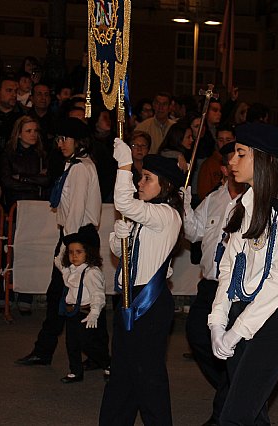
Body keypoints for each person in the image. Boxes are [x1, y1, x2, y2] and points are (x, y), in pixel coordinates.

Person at [207, 122, 278, 424]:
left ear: (263, 159)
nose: (231, 161)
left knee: (235, 416)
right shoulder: (241, 206)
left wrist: (237, 330)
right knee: (253, 416)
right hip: (241, 309)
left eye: (241, 153)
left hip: (272, 320)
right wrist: (218, 321)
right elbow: (228, 268)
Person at [99, 145, 184, 425]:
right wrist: (117, 238)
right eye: (140, 176)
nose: (139, 182)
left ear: (166, 185)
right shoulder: (146, 212)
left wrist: (124, 166)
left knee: (148, 377)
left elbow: (123, 203)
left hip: (150, 301)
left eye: (147, 178)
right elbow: (126, 254)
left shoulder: (166, 215)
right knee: (122, 372)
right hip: (128, 296)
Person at [15, 117, 102, 366]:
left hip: (76, 237)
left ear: (79, 141)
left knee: (67, 295)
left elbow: (75, 212)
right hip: (74, 235)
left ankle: (50, 350)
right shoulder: (76, 165)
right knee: (73, 295)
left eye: (65, 139)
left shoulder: (80, 168)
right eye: (59, 139)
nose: (60, 143)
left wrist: (67, 249)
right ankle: (94, 354)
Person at [182, 141, 245, 425]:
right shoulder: (213, 198)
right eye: (231, 161)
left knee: (232, 347)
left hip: (234, 287)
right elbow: (194, 234)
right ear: (224, 168)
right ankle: (234, 387)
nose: (234, 166)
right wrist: (185, 203)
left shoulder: (252, 202)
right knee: (197, 335)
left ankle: (223, 411)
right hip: (208, 284)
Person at [55, 229, 110, 384]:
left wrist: (94, 313)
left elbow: (98, 295)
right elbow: (58, 261)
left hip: (87, 312)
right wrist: (63, 245)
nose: (74, 255)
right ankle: (75, 371)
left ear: (88, 253)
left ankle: (108, 363)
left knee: (89, 344)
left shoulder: (91, 272)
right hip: (72, 313)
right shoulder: (70, 270)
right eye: (71, 252)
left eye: (79, 252)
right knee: (71, 343)